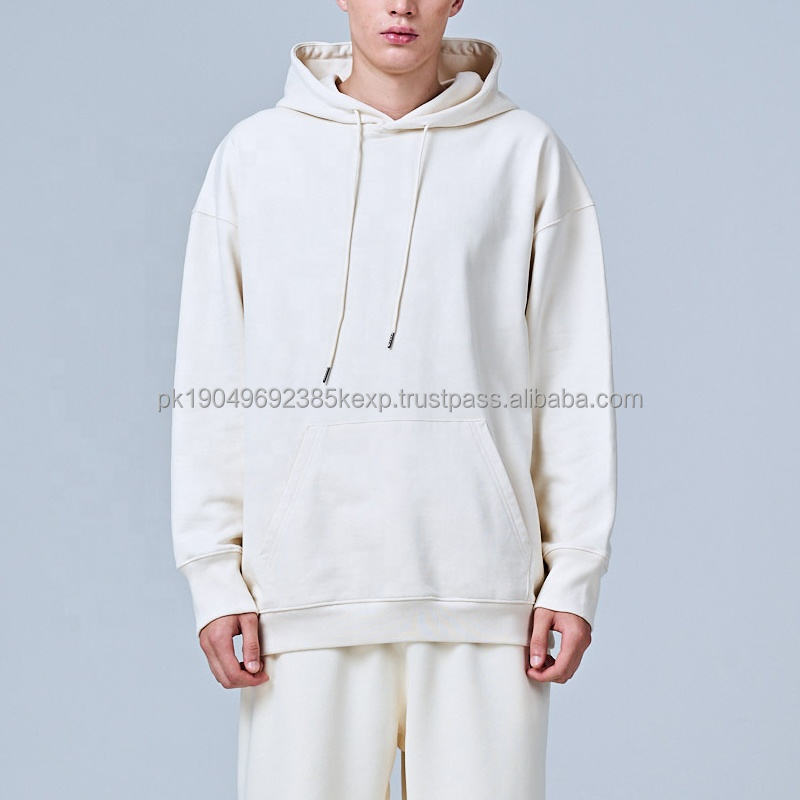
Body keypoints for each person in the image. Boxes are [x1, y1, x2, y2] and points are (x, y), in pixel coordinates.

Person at [170, 1, 617, 798]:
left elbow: (571, 376)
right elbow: (213, 378)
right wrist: (214, 574)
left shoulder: (525, 155)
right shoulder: (254, 156)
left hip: (482, 595)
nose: (401, 5)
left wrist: (574, 572)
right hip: (302, 591)